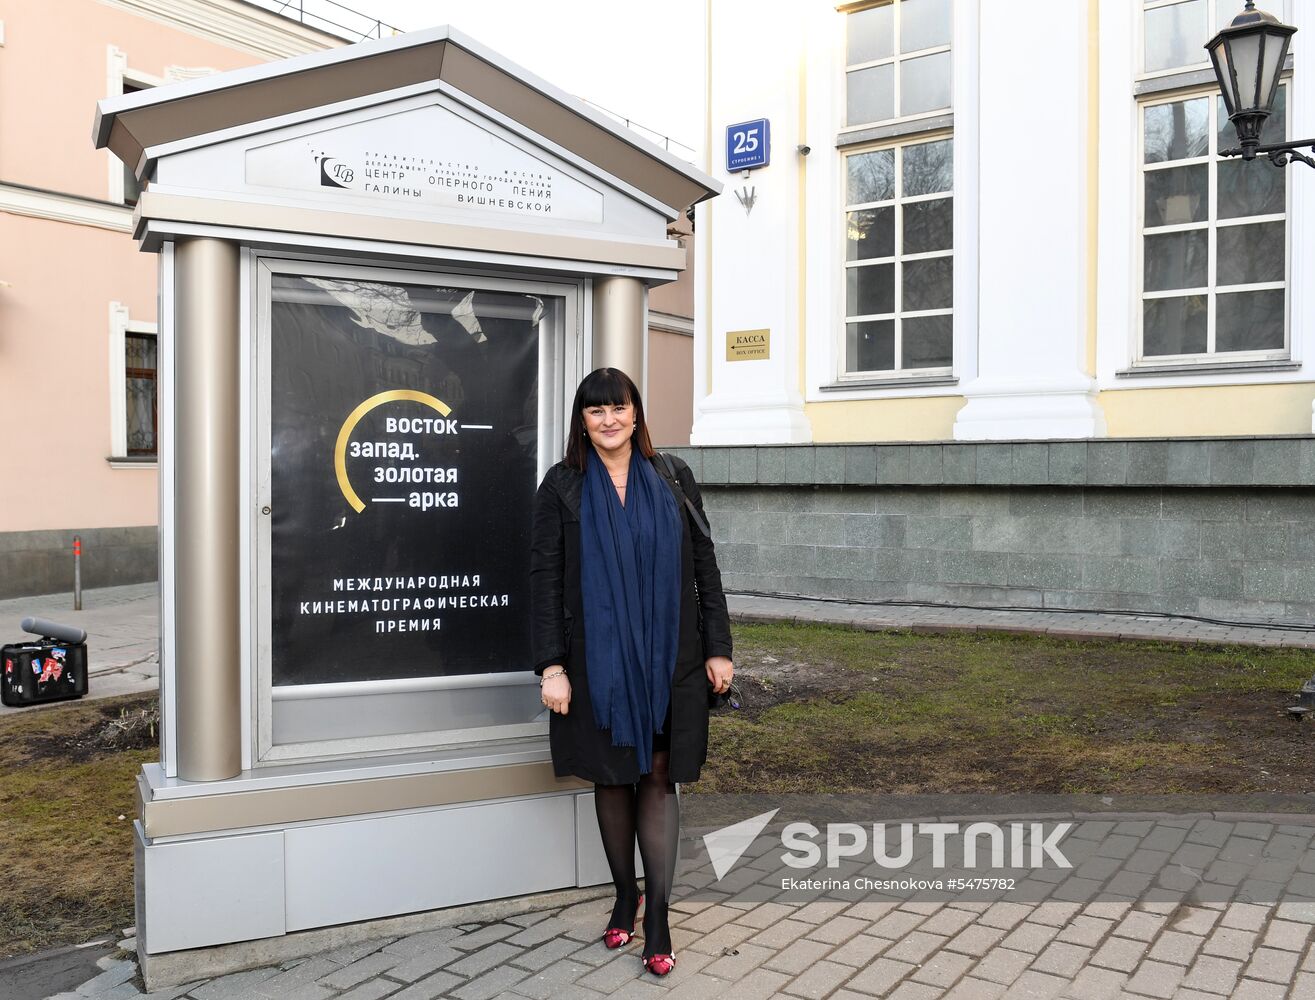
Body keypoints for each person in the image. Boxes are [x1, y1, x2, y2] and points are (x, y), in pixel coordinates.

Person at [530, 367, 733, 977]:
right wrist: (550, 666)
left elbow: (705, 566)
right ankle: (626, 894)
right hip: (594, 662)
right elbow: (543, 582)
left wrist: (718, 648)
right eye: (597, 411)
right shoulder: (562, 486)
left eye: (619, 408)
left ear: (637, 413)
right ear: (582, 421)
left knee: (659, 778)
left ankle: (662, 916)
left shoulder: (674, 478)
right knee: (612, 779)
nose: (610, 419)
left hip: (670, 660)